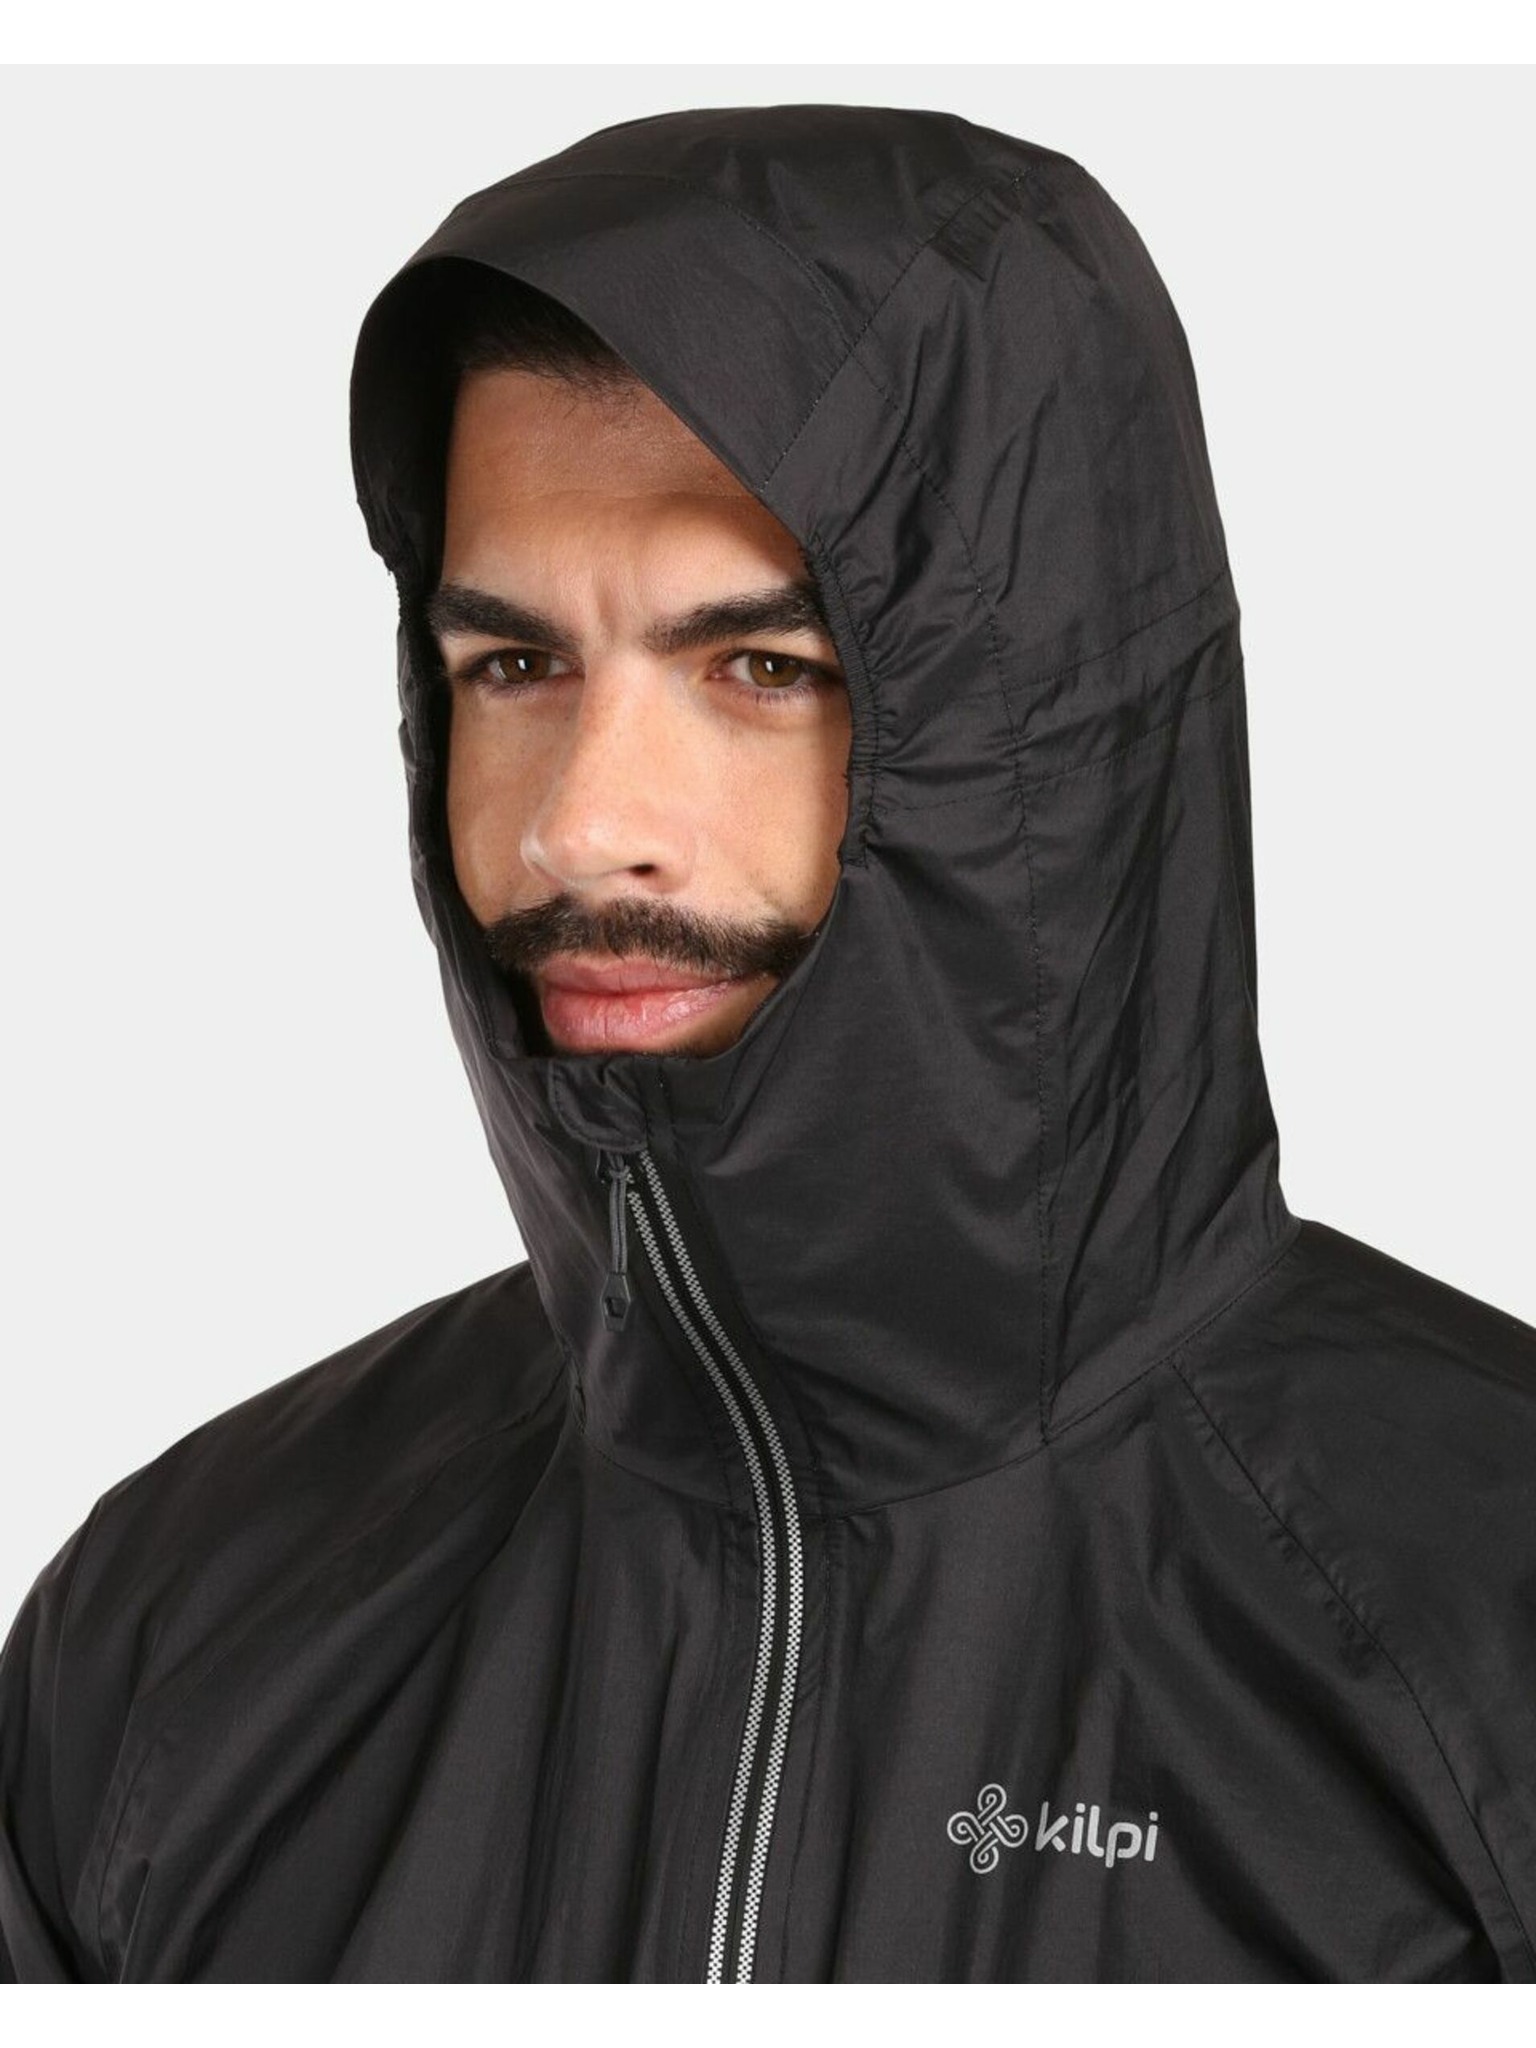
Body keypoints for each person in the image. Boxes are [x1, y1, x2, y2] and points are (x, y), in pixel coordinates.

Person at [2, 102, 1533, 1986]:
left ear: (1054, 735)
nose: (579, 826)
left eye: (761, 669)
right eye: (515, 666)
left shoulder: (1483, 1648)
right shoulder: (172, 1635)